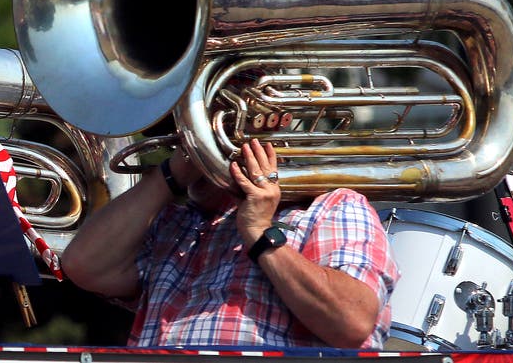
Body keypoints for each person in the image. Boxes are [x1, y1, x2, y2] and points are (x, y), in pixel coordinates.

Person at [61, 138, 399, 349]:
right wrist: (174, 172)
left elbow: (351, 322)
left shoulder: (332, 206)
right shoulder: (175, 223)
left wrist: (259, 232)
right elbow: (84, 265)